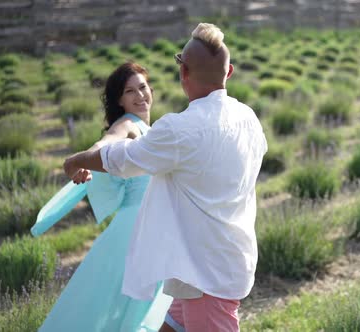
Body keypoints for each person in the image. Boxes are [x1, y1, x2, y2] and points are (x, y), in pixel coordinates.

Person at [63, 23, 268, 331]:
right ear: (229, 72)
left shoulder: (179, 129)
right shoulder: (247, 117)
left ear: (183, 72)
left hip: (205, 276)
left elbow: (122, 159)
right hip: (214, 263)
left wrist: (76, 160)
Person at [32, 62, 172, 331]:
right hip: (137, 228)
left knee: (130, 303)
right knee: (118, 303)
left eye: (142, 87)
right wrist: (87, 158)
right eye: (130, 91)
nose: (140, 95)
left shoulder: (151, 131)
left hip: (155, 225)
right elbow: (107, 142)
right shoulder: (128, 124)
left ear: (151, 89)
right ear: (120, 100)